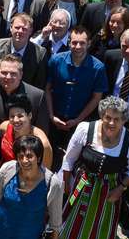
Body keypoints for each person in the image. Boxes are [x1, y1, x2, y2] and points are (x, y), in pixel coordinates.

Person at [56, 96, 129, 239]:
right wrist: (66, 185)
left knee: (100, 227)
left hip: (109, 189)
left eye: (116, 119)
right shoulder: (85, 129)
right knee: (72, 221)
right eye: (108, 117)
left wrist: (121, 188)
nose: (111, 122)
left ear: (124, 120)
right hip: (82, 182)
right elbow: (69, 159)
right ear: (102, 115)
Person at [45, 25, 108, 166]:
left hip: (80, 123)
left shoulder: (98, 68)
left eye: (82, 43)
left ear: (89, 43)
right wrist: (51, 116)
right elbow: (48, 89)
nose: (77, 46)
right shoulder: (56, 61)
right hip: (55, 120)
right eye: (74, 42)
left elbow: (96, 98)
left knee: (73, 161)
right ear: (69, 42)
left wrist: (78, 120)